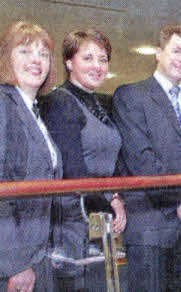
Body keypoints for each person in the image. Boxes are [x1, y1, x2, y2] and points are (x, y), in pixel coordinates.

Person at [112, 24, 181, 292]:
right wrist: (179, 202)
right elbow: (141, 160)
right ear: (158, 52)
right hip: (149, 226)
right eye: (176, 51)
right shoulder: (130, 96)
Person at [41, 29, 126, 291]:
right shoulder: (60, 102)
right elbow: (73, 171)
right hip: (74, 223)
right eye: (88, 58)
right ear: (69, 62)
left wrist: (116, 196)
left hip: (99, 217)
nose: (98, 66)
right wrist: (112, 205)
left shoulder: (98, 102)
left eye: (103, 59)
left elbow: (111, 161)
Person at [0, 21, 60, 292]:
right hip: (13, 264)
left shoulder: (33, 110)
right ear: (6, 58)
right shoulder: (3, 104)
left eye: (43, 54)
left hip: (36, 257)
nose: (36, 60)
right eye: (25, 51)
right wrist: (15, 263)